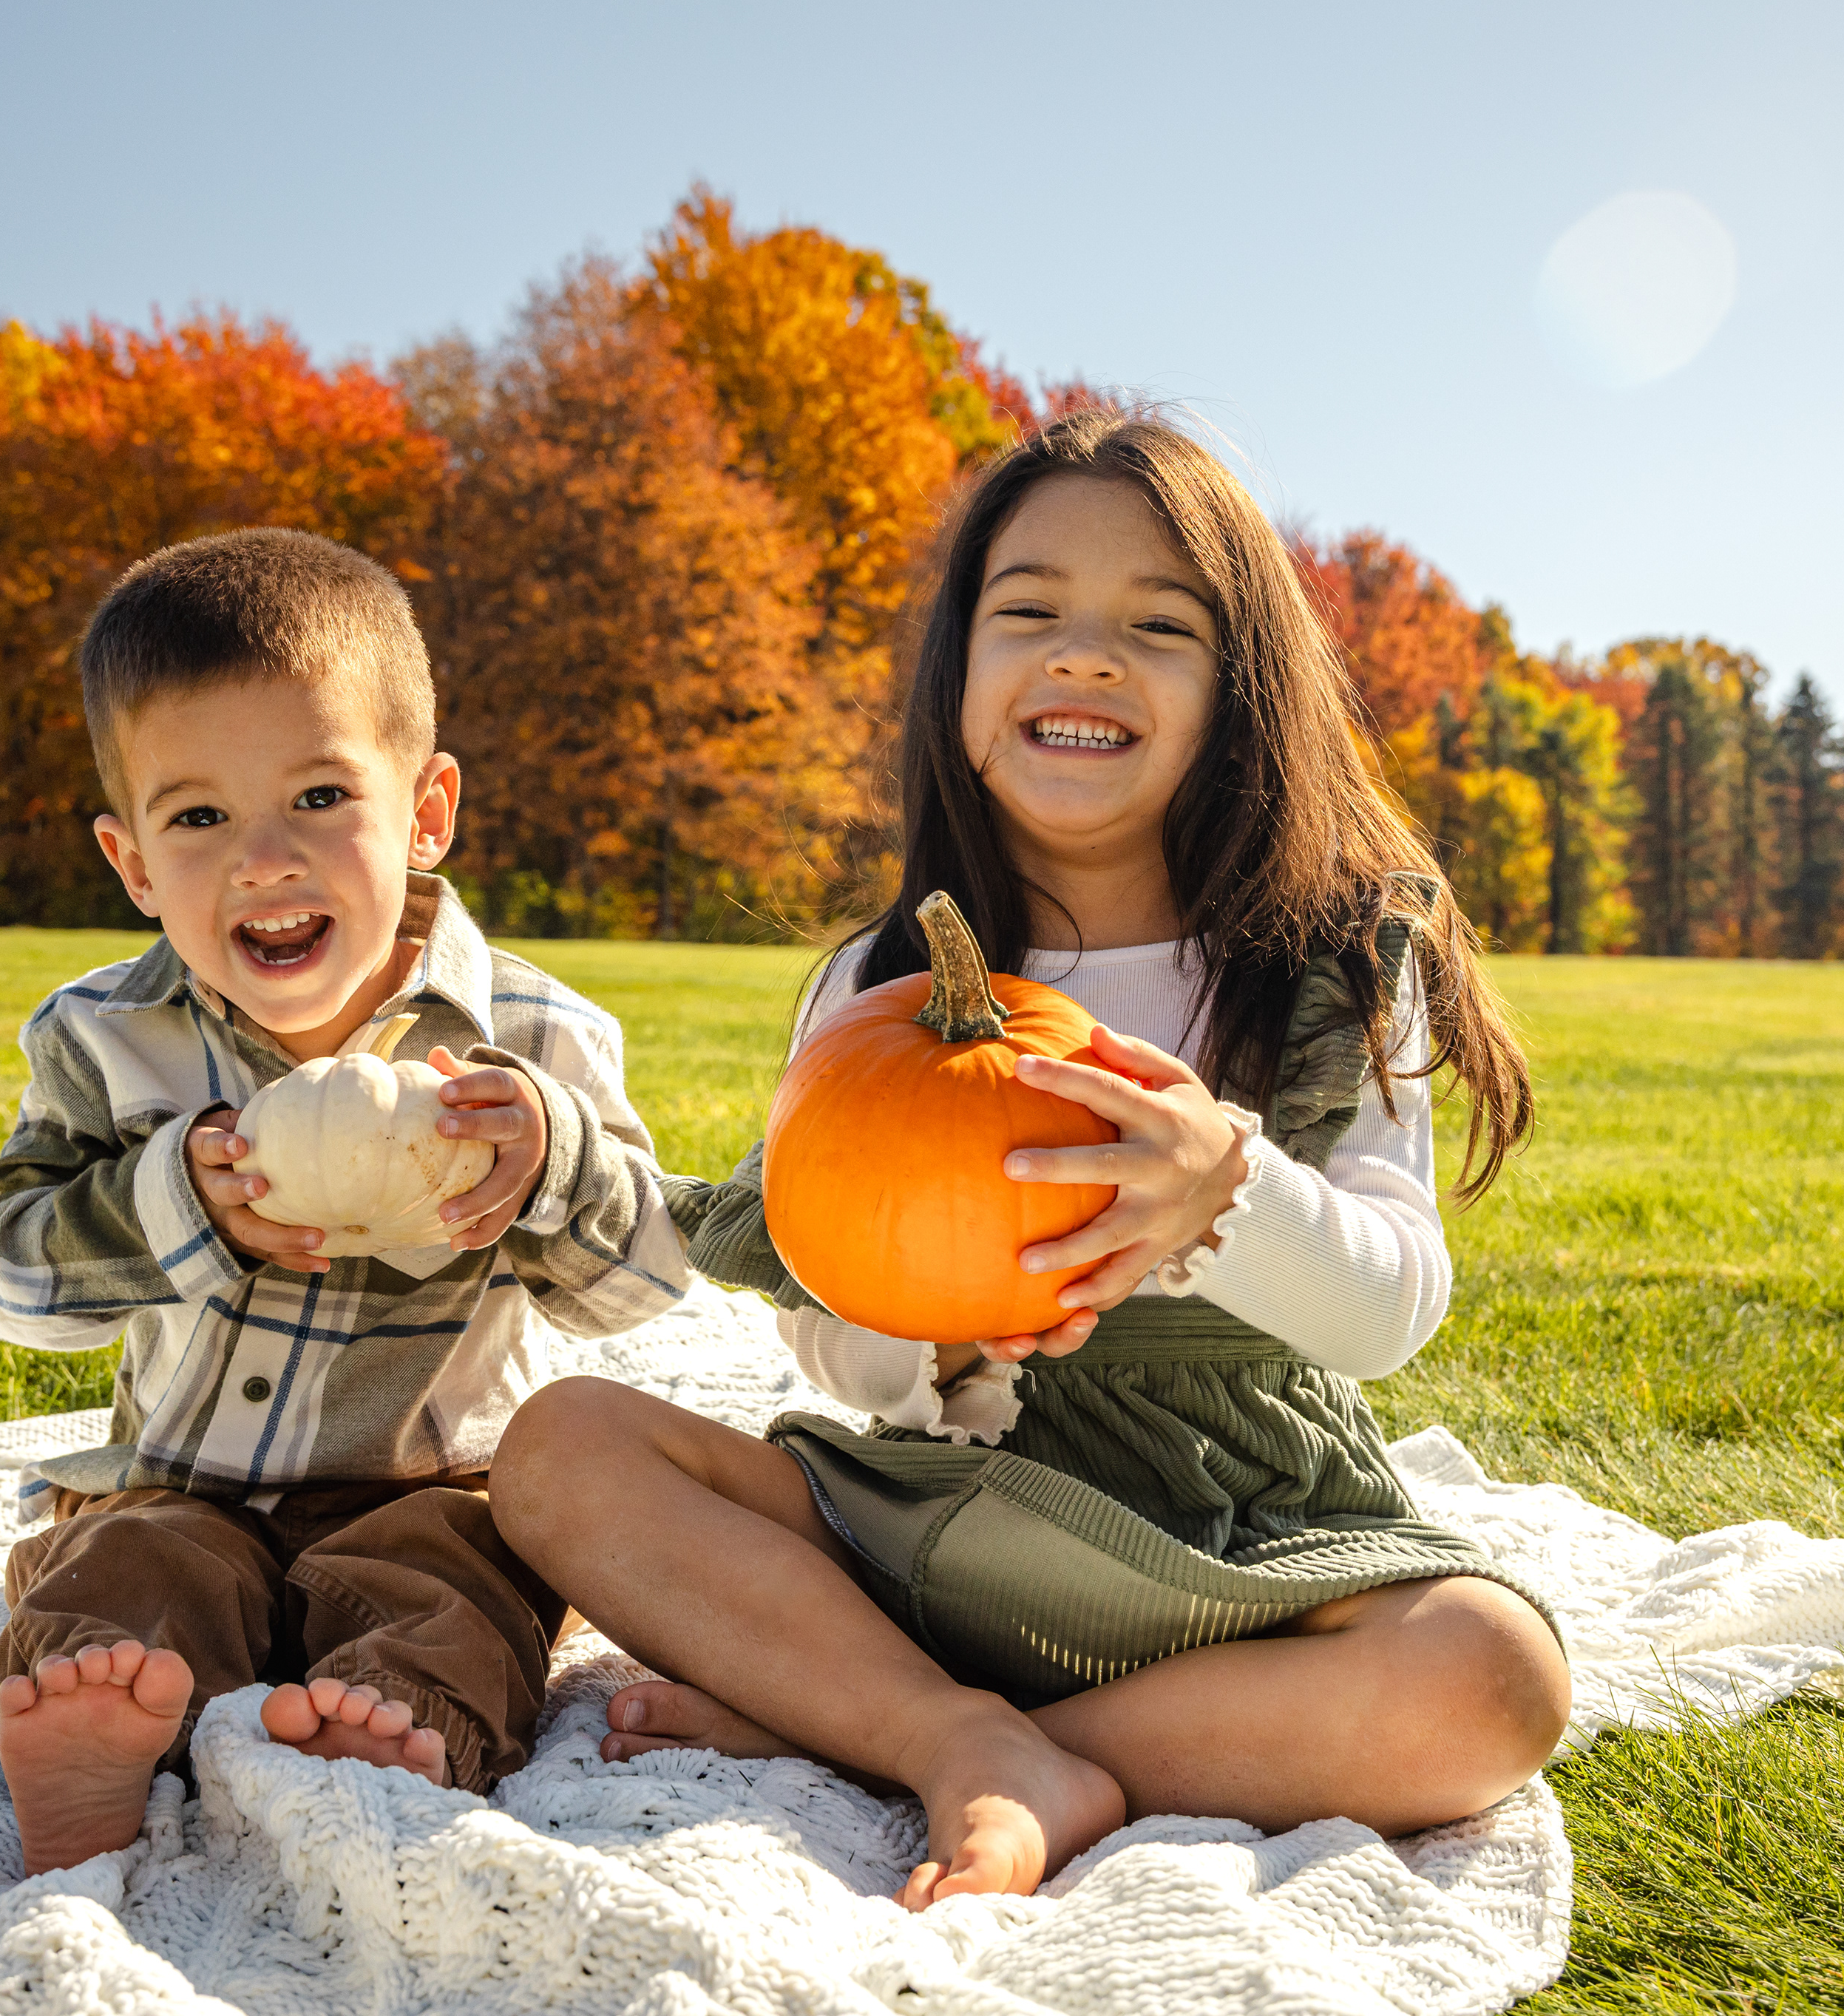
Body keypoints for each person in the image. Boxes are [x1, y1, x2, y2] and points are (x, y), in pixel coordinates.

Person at [489, 409, 1572, 1911]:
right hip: (945, 1514)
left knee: (1492, 1676)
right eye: (1030, 612)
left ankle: (943, 1739)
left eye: (1159, 626)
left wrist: (1231, 1192)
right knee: (563, 1448)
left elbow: (1390, 1307)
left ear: (1242, 691)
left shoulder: (1328, 963)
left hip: (1234, 1541)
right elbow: (825, 1325)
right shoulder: (883, 982)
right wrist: (932, 1334)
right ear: (959, 671)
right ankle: (952, 1731)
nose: (1085, 658)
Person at [0, 529, 688, 1875]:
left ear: (425, 811)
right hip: (180, 1487)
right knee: (127, 1577)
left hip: (430, 1490)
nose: (264, 859)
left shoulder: (531, 1037)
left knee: (456, 1593)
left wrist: (549, 1168)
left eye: (318, 796)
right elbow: (0, 1280)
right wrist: (172, 1207)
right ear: (131, 863)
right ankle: (93, 1731)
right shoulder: (106, 1040)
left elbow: (644, 1283)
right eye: (198, 819)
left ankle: (394, 1728)